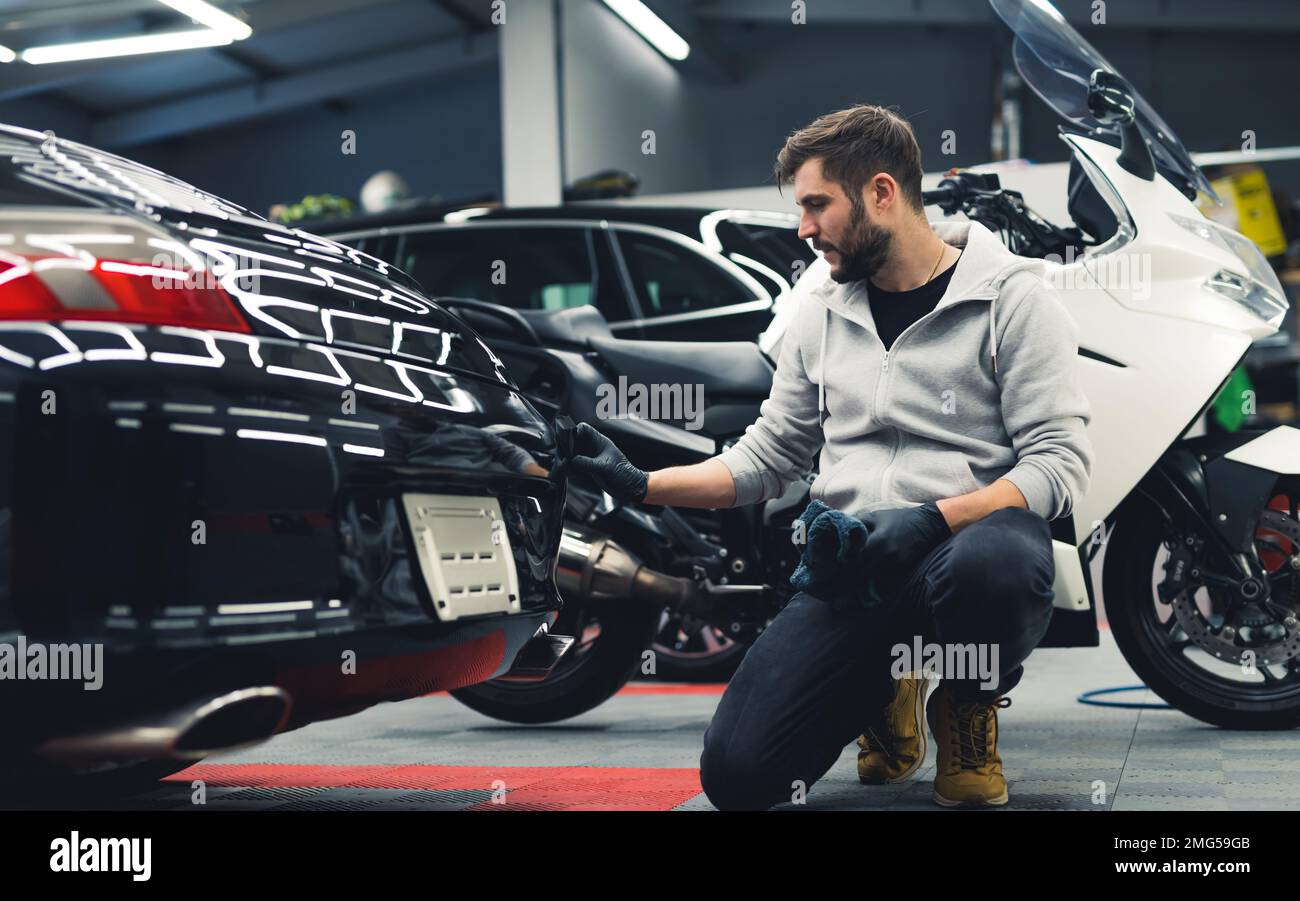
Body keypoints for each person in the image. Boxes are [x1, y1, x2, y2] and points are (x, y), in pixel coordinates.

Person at [565, 104, 1093, 810]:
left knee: (999, 562)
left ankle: (967, 702)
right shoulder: (819, 309)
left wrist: (935, 519)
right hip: (855, 564)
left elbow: (1057, 466)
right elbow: (766, 456)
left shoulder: (1015, 300)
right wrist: (640, 483)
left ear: (882, 192)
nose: (803, 226)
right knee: (740, 776)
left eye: (817, 204)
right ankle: (885, 686)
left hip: (965, 548)